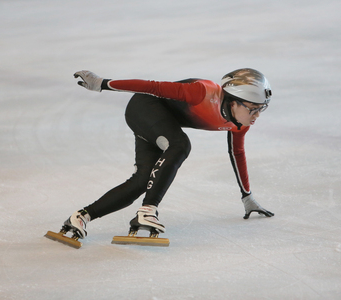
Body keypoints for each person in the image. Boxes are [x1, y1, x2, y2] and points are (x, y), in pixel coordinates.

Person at [63, 68, 274, 240]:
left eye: (261, 109)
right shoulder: (202, 92)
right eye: (253, 109)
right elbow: (152, 87)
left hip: (162, 124)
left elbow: (236, 153)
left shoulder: (240, 123)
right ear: (233, 100)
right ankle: (148, 211)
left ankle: (81, 216)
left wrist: (247, 195)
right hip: (144, 107)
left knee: (143, 180)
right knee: (180, 145)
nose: (256, 116)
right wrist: (102, 83)